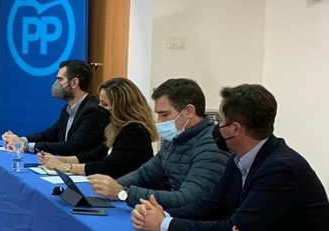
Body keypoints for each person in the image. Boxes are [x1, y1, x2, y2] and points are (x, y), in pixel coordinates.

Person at [129, 84, 329, 231]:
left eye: (221, 122)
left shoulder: (281, 169)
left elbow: (235, 229)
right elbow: (210, 205)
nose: (217, 128)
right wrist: (165, 214)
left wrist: (165, 224)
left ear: (235, 129)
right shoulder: (238, 159)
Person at [88, 77, 228, 216]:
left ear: (189, 112)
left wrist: (123, 193)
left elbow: (188, 199)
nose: (158, 121)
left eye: (164, 114)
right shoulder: (174, 139)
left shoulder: (212, 147)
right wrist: (114, 185)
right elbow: (145, 174)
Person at [37, 77, 156, 177]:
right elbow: (95, 155)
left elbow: (108, 166)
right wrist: (59, 160)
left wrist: (65, 167)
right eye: (100, 102)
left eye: (105, 104)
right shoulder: (114, 128)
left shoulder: (135, 130)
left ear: (121, 108)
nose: (99, 107)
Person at [2, 59, 108, 157]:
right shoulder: (68, 108)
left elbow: (72, 146)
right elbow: (50, 135)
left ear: (74, 83)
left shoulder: (92, 110)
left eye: (60, 79)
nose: (56, 84)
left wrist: (25, 146)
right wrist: (20, 140)